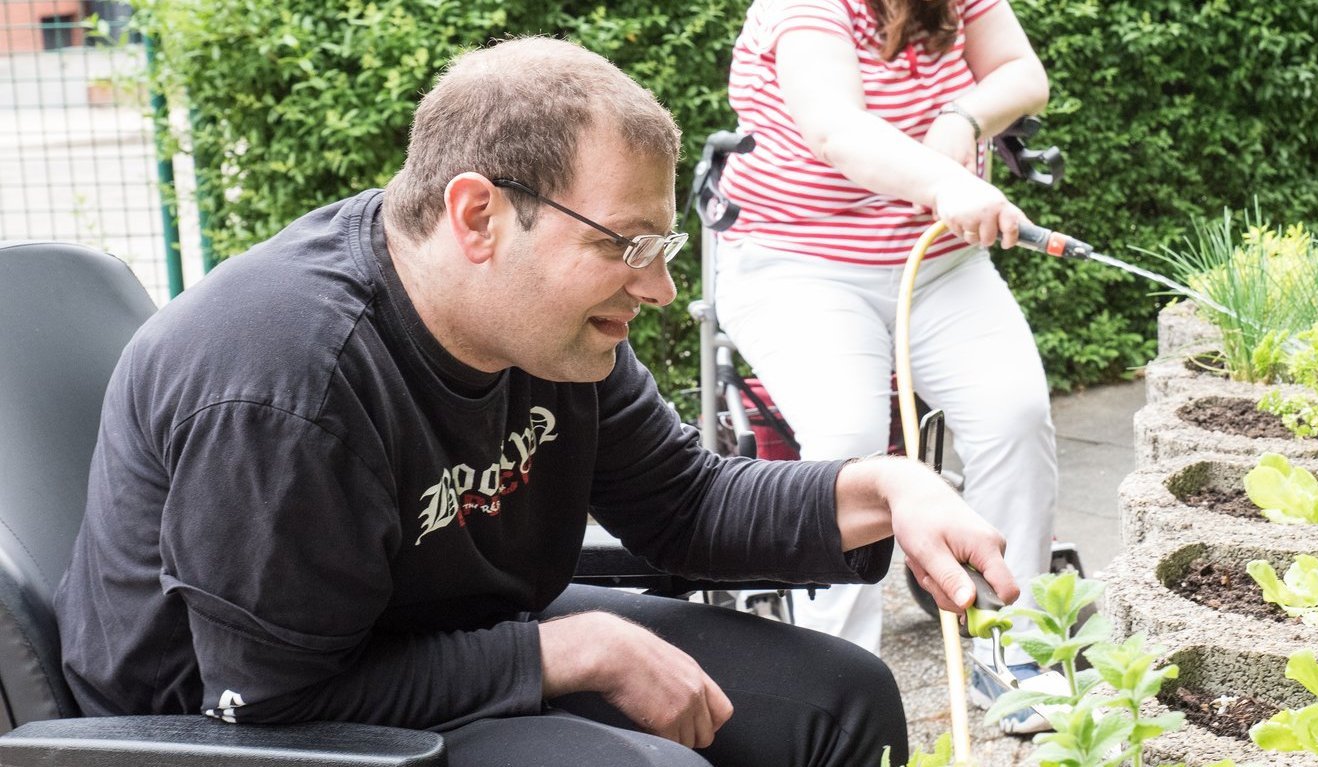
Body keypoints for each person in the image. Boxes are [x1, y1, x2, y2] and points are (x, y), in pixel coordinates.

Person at [51, 37, 1020, 767]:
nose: (657, 290)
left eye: (661, 247)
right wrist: (573, 649)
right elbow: (266, 697)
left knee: (835, 694)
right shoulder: (287, 379)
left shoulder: (547, 333)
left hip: (427, 630)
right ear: (479, 215)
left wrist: (890, 485)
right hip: (234, 726)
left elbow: (680, 503)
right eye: (622, 244)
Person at [712, 0, 1058, 733]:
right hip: (798, 267)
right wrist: (944, 182)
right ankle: (833, 677)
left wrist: (964, 118)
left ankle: (1017, 650)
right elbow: (835, 128)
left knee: (1015, 412)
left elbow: (1024, 73)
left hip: (937, 267)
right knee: (847, 433)